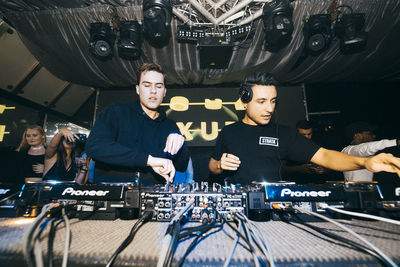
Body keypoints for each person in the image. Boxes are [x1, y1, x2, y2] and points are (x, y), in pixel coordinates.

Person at [208, 72, 400, 185]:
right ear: (244, 102)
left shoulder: (285, 134)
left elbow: (325, 156)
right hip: (237, 211)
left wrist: (365, 163)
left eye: (273, 101)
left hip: (274, 208)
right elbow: (212, 166)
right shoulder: (229, 132)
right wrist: (219, 165)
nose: (270, 108)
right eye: (261, 101)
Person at [85, 63, 190, 184]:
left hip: (153, 198)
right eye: (147, 85)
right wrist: (148, 160)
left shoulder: (170, 125)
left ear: (164, 92)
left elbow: (181, 165)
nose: (153, 91)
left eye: (159, 86)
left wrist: (180, 145)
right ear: (137, 89)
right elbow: (95, 147)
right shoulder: (116, 111)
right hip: (113, 195)